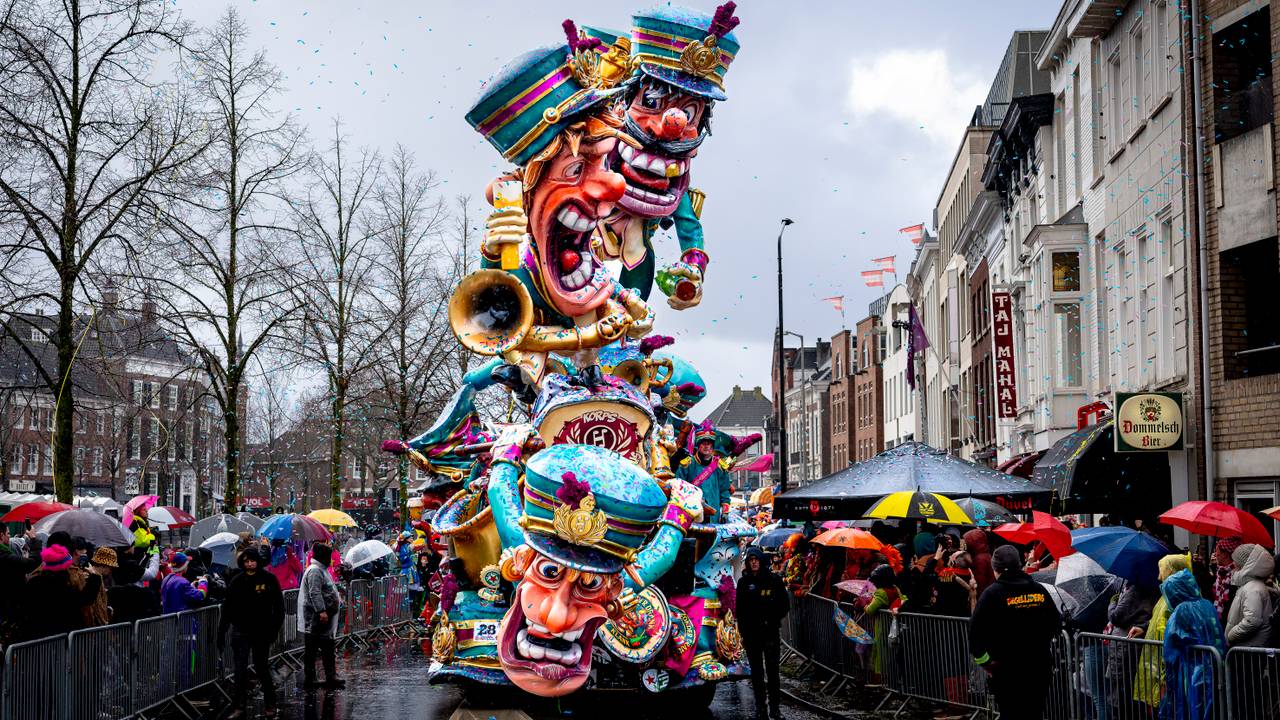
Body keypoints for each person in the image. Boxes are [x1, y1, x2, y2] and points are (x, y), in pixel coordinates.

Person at [969, 544, 1062, 719]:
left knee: (1011, 713)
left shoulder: (992, 594)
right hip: (1039, 668)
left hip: (1006, 671)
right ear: (1019, 565)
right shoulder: (1039, 590)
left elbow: (975, 636)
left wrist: (987, 664)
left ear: (995, 568)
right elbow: (1056, 624)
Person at [220, 547, 284, 718]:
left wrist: (273, 630)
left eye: (252, 560)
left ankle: (270, 703)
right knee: (239, 670)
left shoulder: (268, 579)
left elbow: (279, 608)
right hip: (240, 631)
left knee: (261, 667)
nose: (249, 564)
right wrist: (222, 631)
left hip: (262, 631)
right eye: (246, 561)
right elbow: (227, 608)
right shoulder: (237, 581)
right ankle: (239, 706)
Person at [1160, 568, 1226, 720]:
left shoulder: (1181, 610)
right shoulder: (1207, 604)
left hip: (1191, 670)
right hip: (1214, 666)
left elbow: (1170, 649)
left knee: (1193, 708)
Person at [737, 546, 789, 720]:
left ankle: (775, 709)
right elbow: (740, 611)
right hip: (752, 636)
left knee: (773, 673)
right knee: (757, 673)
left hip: (770, 633)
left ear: (761, 560)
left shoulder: (774, 580)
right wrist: (743, 634)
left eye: (756, 559)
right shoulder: (743, 583)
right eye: (750, 560)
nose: (753, 563)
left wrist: (772, 619)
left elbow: (784, 605)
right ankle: (761, 708)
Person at [1135, 554, 1191, 711]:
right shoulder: (1166, 596)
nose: (1159, 577)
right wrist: (1144, 628)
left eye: (1162, 571)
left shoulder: (1178, 598)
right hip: (1158, 665)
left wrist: (1164, 676)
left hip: (1166, 669)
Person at [21, 545, 102, 640]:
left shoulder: (33, 583)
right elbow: (86, 598)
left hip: (34, 641)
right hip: (58, 643)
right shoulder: (63, 589)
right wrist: (94, 576)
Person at [299, 542, 344, 689]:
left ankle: (331, 677)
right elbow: (314, 592)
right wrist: (321, 611)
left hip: (323, 618)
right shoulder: (315, 571)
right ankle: (310, 678)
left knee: (328, 648)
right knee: (312, 649)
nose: (330, 560)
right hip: (316, 618)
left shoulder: (321, 570)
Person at [1225, 543, 1279, 647]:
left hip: (1250, 649)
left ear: (1245, 564)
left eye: (1236, 561)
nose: (1233, 564)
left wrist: (1230, 635)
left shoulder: (1252, 589)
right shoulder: (1253, 586)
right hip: (1250, 648)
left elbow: (1251, 621)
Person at [674, 426, 732, 522]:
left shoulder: (720, 467)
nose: (706, 446)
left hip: (714, 516)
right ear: (698, 446)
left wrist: (725, 512)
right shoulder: (687, 464)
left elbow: (724, 491)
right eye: (703, 443)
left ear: (712, 447)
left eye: (709, 444)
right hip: (691, 514)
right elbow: (678, 487)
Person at [1210, 536, 1241, 620]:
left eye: (1217, 551)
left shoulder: (1235, 576)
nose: (1215, 554)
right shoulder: (1221, 572)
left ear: (1225, 555)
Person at [962, 528, 995, 594]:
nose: (965, 545)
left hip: (983, 594)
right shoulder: (985, 553)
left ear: (972, 543)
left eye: (967, 542)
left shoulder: (979, 559)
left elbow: (980, 581)